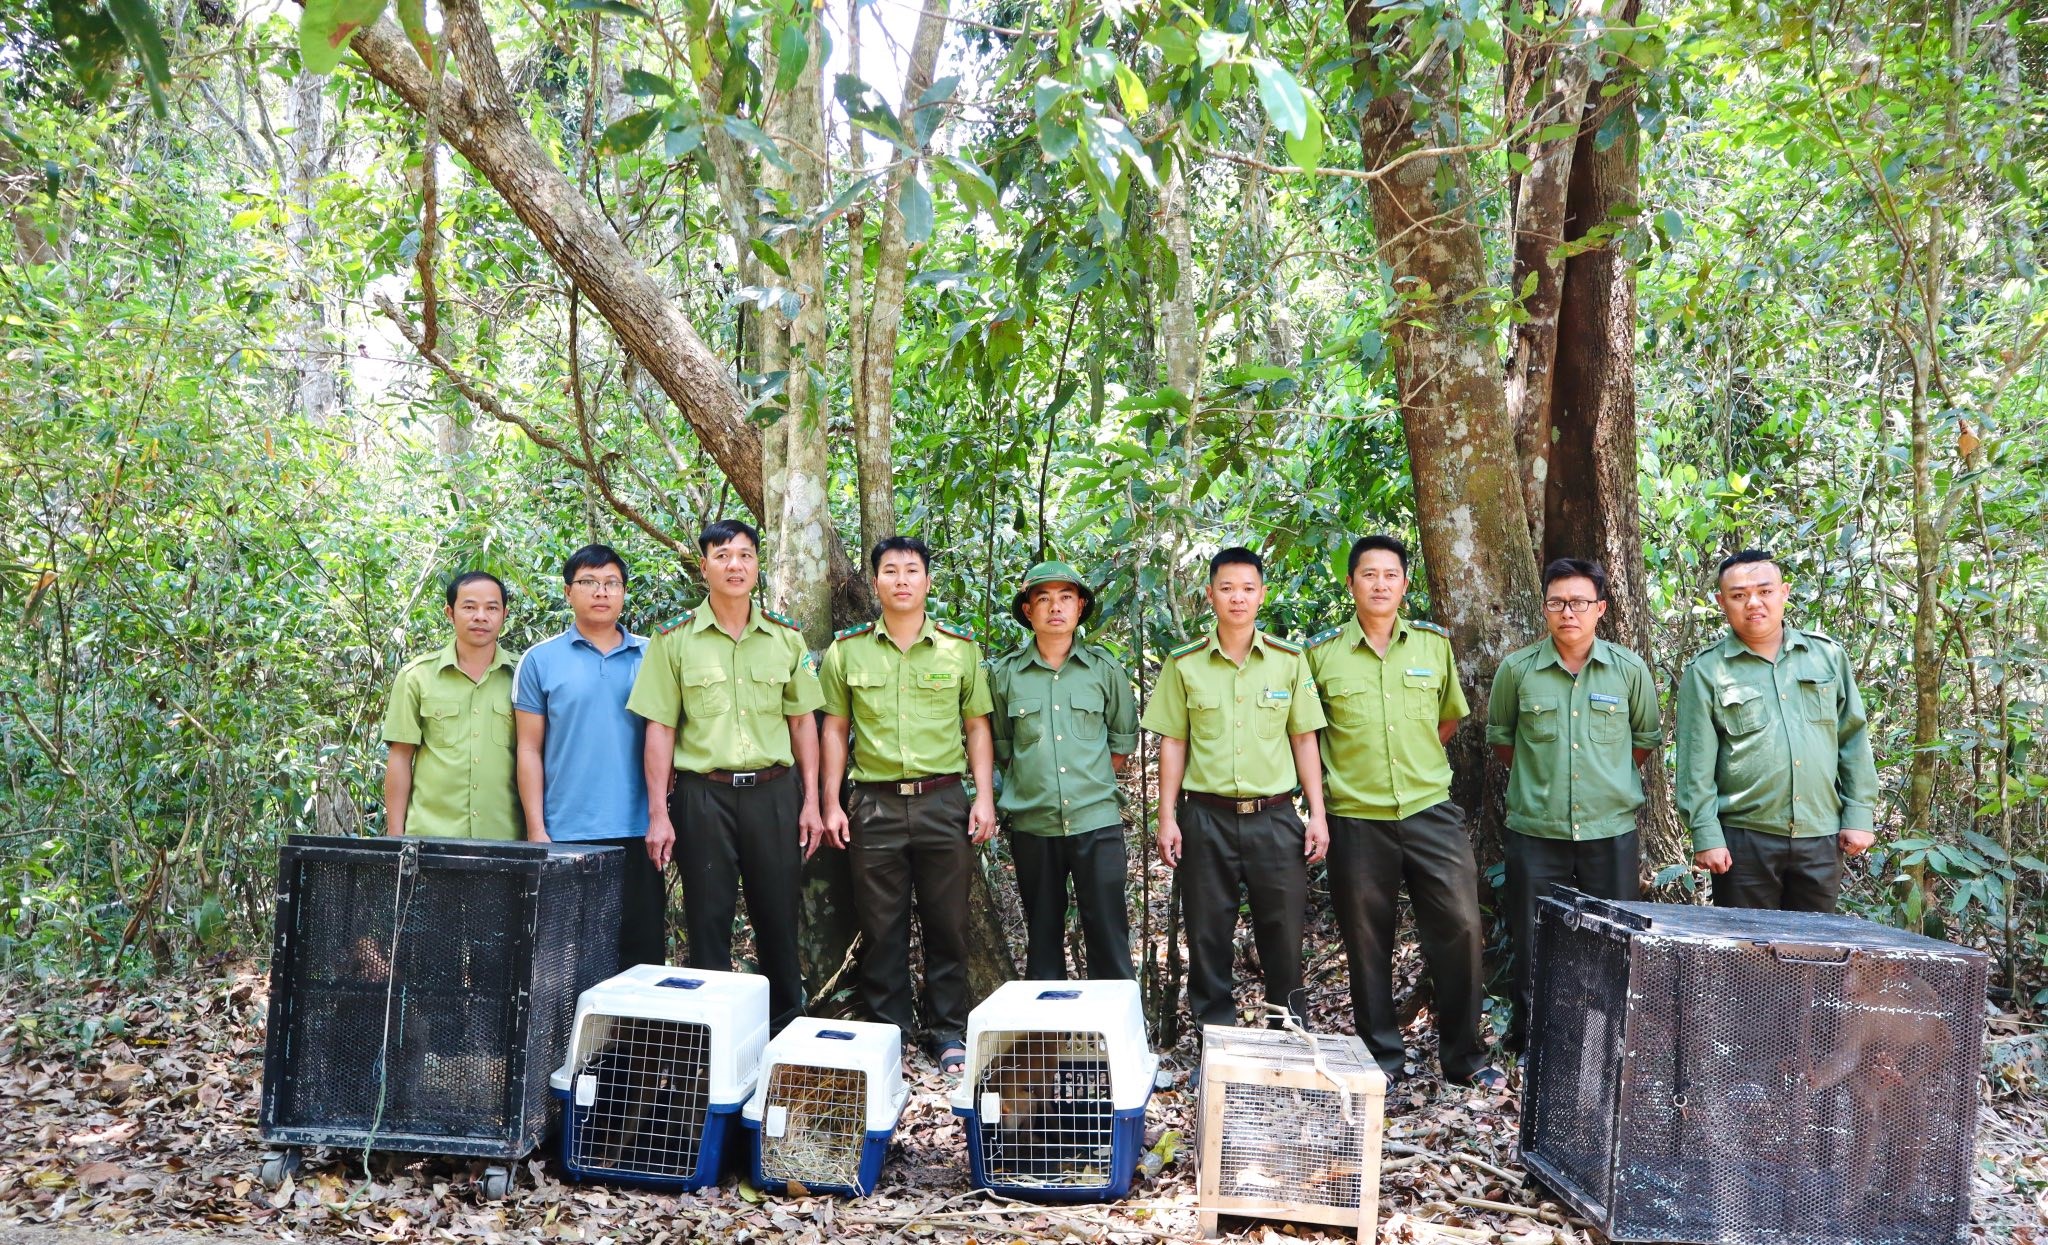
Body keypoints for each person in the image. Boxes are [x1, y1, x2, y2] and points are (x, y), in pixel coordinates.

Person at [1306, 535, 1499, 1088]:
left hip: (1428, 810)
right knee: (1367, 939)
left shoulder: (1433, 648)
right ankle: (1380, 1060)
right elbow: (1309, 736)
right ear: (1351, 584)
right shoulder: (1320, 657)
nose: (1380, 584)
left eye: (1391, 574)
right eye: (1369, 575)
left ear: (1405, 583)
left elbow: (1447, 721)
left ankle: (1464, 1056)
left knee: (1462, 929)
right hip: (1356, 815)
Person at [626, 519, 823, 1031]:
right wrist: (657, 815)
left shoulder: (785, 637)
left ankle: (786, 1031)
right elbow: (660, 730)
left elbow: (804, 724)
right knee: (707, 922)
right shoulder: (673, 641)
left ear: (758, 565)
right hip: (703, 797)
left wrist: (812, 803)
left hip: (775, 794)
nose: (734, 565)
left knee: (779, 920)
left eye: (744, 555)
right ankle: (713, 1036)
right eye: (722, 556)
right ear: (704, 565)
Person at [818, 536, 996, 1073]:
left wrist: (983, 796)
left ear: (927, 581)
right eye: (890, 571)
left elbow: (977, 727)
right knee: (881, 926)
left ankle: (947, 1031)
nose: (901, 580)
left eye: (911, 570)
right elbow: (834, 729)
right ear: (874, 583)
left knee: (948, 922)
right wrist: (831, 801)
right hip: (873, 804)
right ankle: (890, 1032)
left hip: (944, 801)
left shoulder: (957, 648)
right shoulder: (846, 651)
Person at [1142, 546, 1328, 1035]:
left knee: (1284, 934)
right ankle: (1214, 1037)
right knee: (1208, 934)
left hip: (1274, 816)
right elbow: (1174, 742)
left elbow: (1304, 738)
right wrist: (1167, 817)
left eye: (1248, 588)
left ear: (1262, 595)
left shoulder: (1288, 661)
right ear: (1210, 595)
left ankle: (1288, 1035)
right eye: (1227, 588)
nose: (1238, 598)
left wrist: (1318, 815)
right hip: (1206, 817)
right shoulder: (1185, 664)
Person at [1486, 557, 1660, 1048]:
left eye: (1580, 602)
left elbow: (1642, 741)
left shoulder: (1628, 670)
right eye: (1558, 603)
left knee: (1613, 940)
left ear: (1600, 607)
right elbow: (1504, 742)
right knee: (1534, 939)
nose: (1569, 613)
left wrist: (1601, 783)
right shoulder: (1517, 671)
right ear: (1544, 608)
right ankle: (1535, 1043)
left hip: (1610, 833)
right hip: (1536, 834)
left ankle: (1606, 1045)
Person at [1676, 549, 1878, 911]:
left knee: (1815, 953)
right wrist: (1706, 835)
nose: (1753, 603)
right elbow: (1695, 764)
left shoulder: (1826, 656)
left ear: (1784, 593)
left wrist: (1859, 815)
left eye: (1765, 591)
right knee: (1745, 953)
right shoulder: (1706, 671)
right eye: (1739, 595)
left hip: (1821, 833)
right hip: (1744, 840)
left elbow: (1853, 739)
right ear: (1722, 602)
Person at [513, 544, 662, 968]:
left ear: (623, 592)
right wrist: (537, 830)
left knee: (641, 954)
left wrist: (662, 818)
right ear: (568, 592)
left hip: (639, 830)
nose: (601, 592)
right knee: (568, 957)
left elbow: (668, 738)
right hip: (566, 832)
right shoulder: (540, 660)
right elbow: (528, 747)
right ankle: (575, 1038)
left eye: (611, 583)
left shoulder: (652, 655)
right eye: (589, 583)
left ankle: (636, 1036)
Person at [987, 560, 1138, 980]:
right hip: (1035, 827)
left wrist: (1084, 785)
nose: (1056, 607)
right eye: (1044, 599)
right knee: (1043, 938)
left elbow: (1121, 744)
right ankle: (1047, 1038)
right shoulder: (1004, 676)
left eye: (1066, 598)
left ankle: (1114, 1038)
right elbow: (1003, 749)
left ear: (1080, 606)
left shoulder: (1104, 671)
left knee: (1108, 935)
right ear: (1027, 611)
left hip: (1097, 823)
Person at [381, 571, 521, 840]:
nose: (480, 616)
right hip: (430, 839)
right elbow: (400, 757)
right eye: (469, 607)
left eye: (491, 608)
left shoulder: (524, 676)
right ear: (450, 612)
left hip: (507, 838)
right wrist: (395, 838)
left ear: (504, 614)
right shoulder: (416, 677)